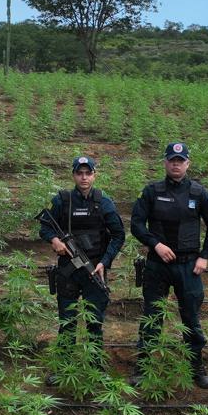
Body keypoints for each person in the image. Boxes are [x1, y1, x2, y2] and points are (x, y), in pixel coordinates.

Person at [130, 142, 208, 389]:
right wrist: (155, 243)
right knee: (152, 315)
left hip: (189, 266)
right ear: (165, 162)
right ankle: (144, 365)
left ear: (187, 164)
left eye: (180, 160)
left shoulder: (198, 192)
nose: (176, 164)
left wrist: (205, 255)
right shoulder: (151, 191)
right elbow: (136, 224)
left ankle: (196, 366)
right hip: (157, 265)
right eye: (172, 159)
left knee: (191, 317)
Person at [38, 155, 125, 373]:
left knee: (94, 321)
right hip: (68, 271)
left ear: (94, 175)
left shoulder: (104, 202)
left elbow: (118, 235)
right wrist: (54, 240)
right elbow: (45, 227)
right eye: (80, 173)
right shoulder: (62, 200)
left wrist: (105, 262)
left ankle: (95, 365)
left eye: (88, 173)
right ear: (74, 175)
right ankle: (63, 368)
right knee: (67, 321)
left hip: (94, 269)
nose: (84, 177)